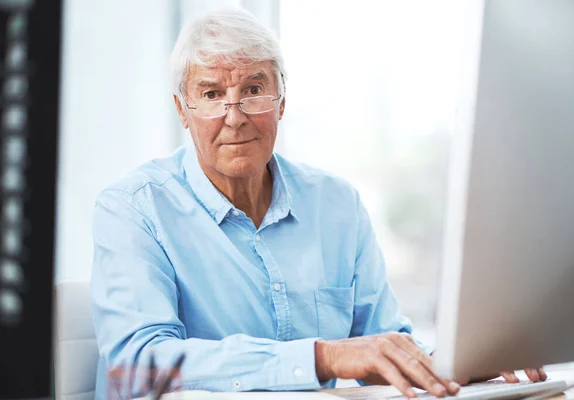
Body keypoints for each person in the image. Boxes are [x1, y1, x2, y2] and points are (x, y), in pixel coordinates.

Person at [90, 7, 546, 399]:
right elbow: (137, 366)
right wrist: (323, 356)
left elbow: (382, 337)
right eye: (211, 94)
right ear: (182, 110)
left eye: (253, 90)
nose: (235, 116)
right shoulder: (133, 208)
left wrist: (451, 362)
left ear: (282, 101)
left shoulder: (336, 204)